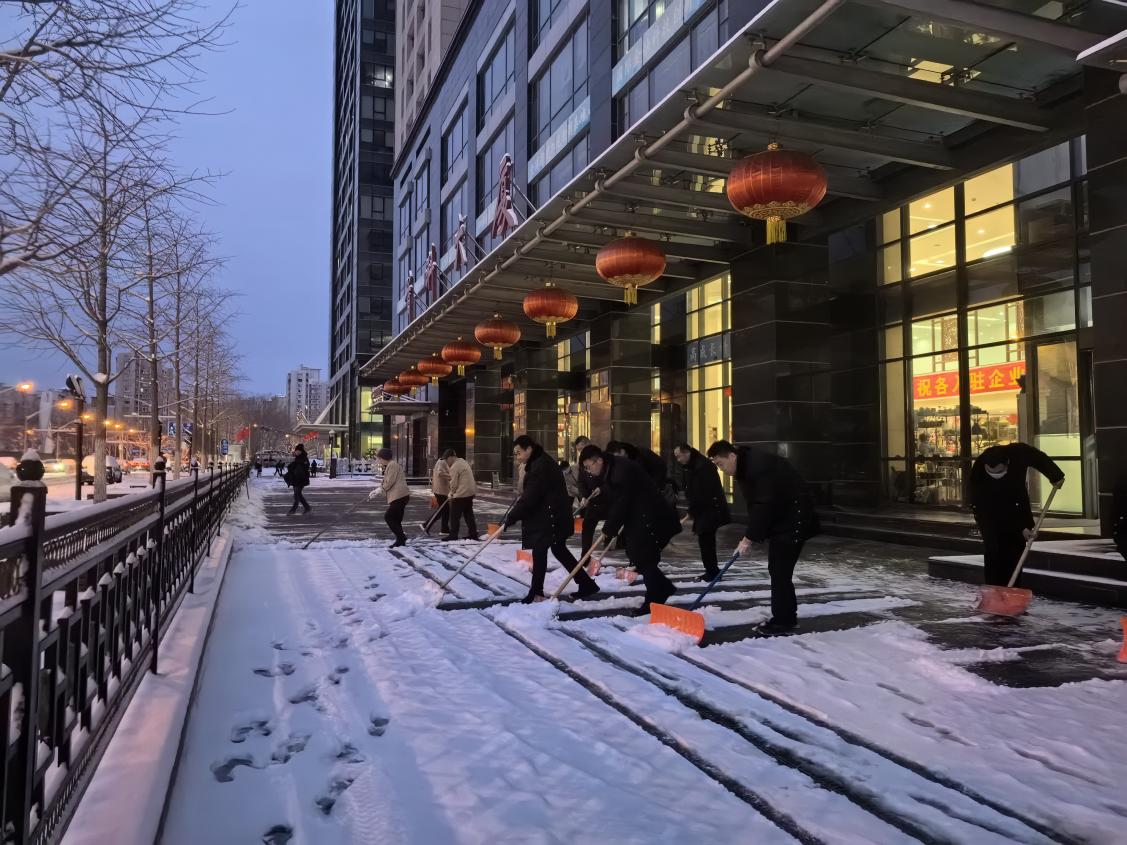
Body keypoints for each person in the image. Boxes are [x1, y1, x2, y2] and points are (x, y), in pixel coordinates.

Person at [708, 440, 818, 634]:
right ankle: (786, 617)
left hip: (794, 520)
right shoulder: (746, 466)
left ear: (732, 456)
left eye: (721, 464)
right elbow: (758, 505)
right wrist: (754, 535)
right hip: (785, 520)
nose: (721, 469)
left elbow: (764, 505)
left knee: (779, 570)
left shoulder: (758, 468)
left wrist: (749, 538)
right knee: (778, 570)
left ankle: (784, 621)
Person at [580, 444, 679, 615]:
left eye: (589, 467)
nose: (589, 471)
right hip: (639, 515)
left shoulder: (619, 471)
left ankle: (655, 597)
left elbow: (621, 502)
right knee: (639, 556)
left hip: (650, 515)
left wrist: (610, 527)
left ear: (599, 461)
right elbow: (616, 497)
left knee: (643, 556)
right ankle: (662, 589)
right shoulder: (611, 469)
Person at [506, 436, 600, 603]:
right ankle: (585, 584)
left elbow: (531, 496)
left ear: (529, 449)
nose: (517, 457)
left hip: (552, 516)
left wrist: (513, 516)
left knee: (541, 549)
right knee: (556, 549)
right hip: (551, 515)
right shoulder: (537, 462)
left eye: (519, 453)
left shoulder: (540, 465)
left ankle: (537, 591)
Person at [969, 443, 1065, 586]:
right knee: (994, 550)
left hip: (1017, 504)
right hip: (990, 514)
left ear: (1007, 463)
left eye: (999, 471)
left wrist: (1055, 475)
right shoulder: (978, 473)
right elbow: (991, 510)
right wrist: (1020, 528)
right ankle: (993, 590)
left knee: (1015, 552)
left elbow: (1039, 458)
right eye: (991, 472)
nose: (995, 475)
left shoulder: (1019, 453)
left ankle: (1012, 589)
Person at [674, 443, 731, 580]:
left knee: (706, 541)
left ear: (687, 452)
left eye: (679, 456)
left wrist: (692, 511)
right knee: (705, 541)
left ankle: (712, 572)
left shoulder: (702, 467)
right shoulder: (692, 466)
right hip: (704, 510)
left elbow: (703, 492)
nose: (678, 460)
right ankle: (712, 571)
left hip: (710, 509)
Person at [573, 436, 604, 557]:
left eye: (582, 448)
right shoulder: (582, 461)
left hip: (606, 498)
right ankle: (585, 556)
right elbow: (581, 481)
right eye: (579, 450)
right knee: (588, 525)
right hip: (592, 499)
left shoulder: (599, 457)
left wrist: (602, 488)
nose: (581, 452)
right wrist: (584, 496)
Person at [442, 449, 480, 541]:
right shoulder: (463, 461)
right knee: (468, 514)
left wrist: (451, 494)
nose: (446, 462)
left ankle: (453, 535)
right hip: (470, 492)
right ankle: (473, 533)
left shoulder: (455, 466)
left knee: (454, 515)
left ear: (451, 457)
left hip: (461, 494)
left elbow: (453, 483)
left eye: (446, 460)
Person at [375, 448, 409, 547]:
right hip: (399, 496)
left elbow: (390, 481)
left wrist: (382, 489)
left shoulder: (392, 465)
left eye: (379, 459)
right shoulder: (390, 465)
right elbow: (386, 481)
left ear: (383, 458)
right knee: (396, 519)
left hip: (399, 496)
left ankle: (401, 537)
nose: (379, 461)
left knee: (389, 517)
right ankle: (400, 540)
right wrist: (379, 488)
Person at [284, 443, 311, 515]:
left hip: (301, 479)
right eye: (296, 451)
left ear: (300, 451)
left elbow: (305, 466)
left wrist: (294, 465)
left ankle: (293, 510)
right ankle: (307, 507)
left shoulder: (304, 458)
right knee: (298, 495)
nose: (296, 452)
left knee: (297, 495)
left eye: (297, 451)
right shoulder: (297, 458)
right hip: (295, 479)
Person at [431, 455, 451, 535]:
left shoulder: (440, 461)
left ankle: (444, 529)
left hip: (440, 490)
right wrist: (451, 476)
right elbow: (440, 473)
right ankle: (426, 525)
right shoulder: (442, 462)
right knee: (442, 511)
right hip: (441, 491)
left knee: (444, 511)